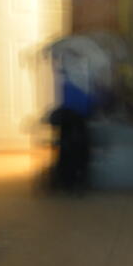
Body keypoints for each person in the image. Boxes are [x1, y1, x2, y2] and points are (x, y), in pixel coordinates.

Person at [42, 31, 117, 195]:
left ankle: (68, 178)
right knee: (76, 141)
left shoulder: (70, 50)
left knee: (70, 140)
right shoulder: (89, 53)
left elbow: (48, 53)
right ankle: (73, 178)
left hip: (73, 108)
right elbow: (103, 80)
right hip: (77, 108)